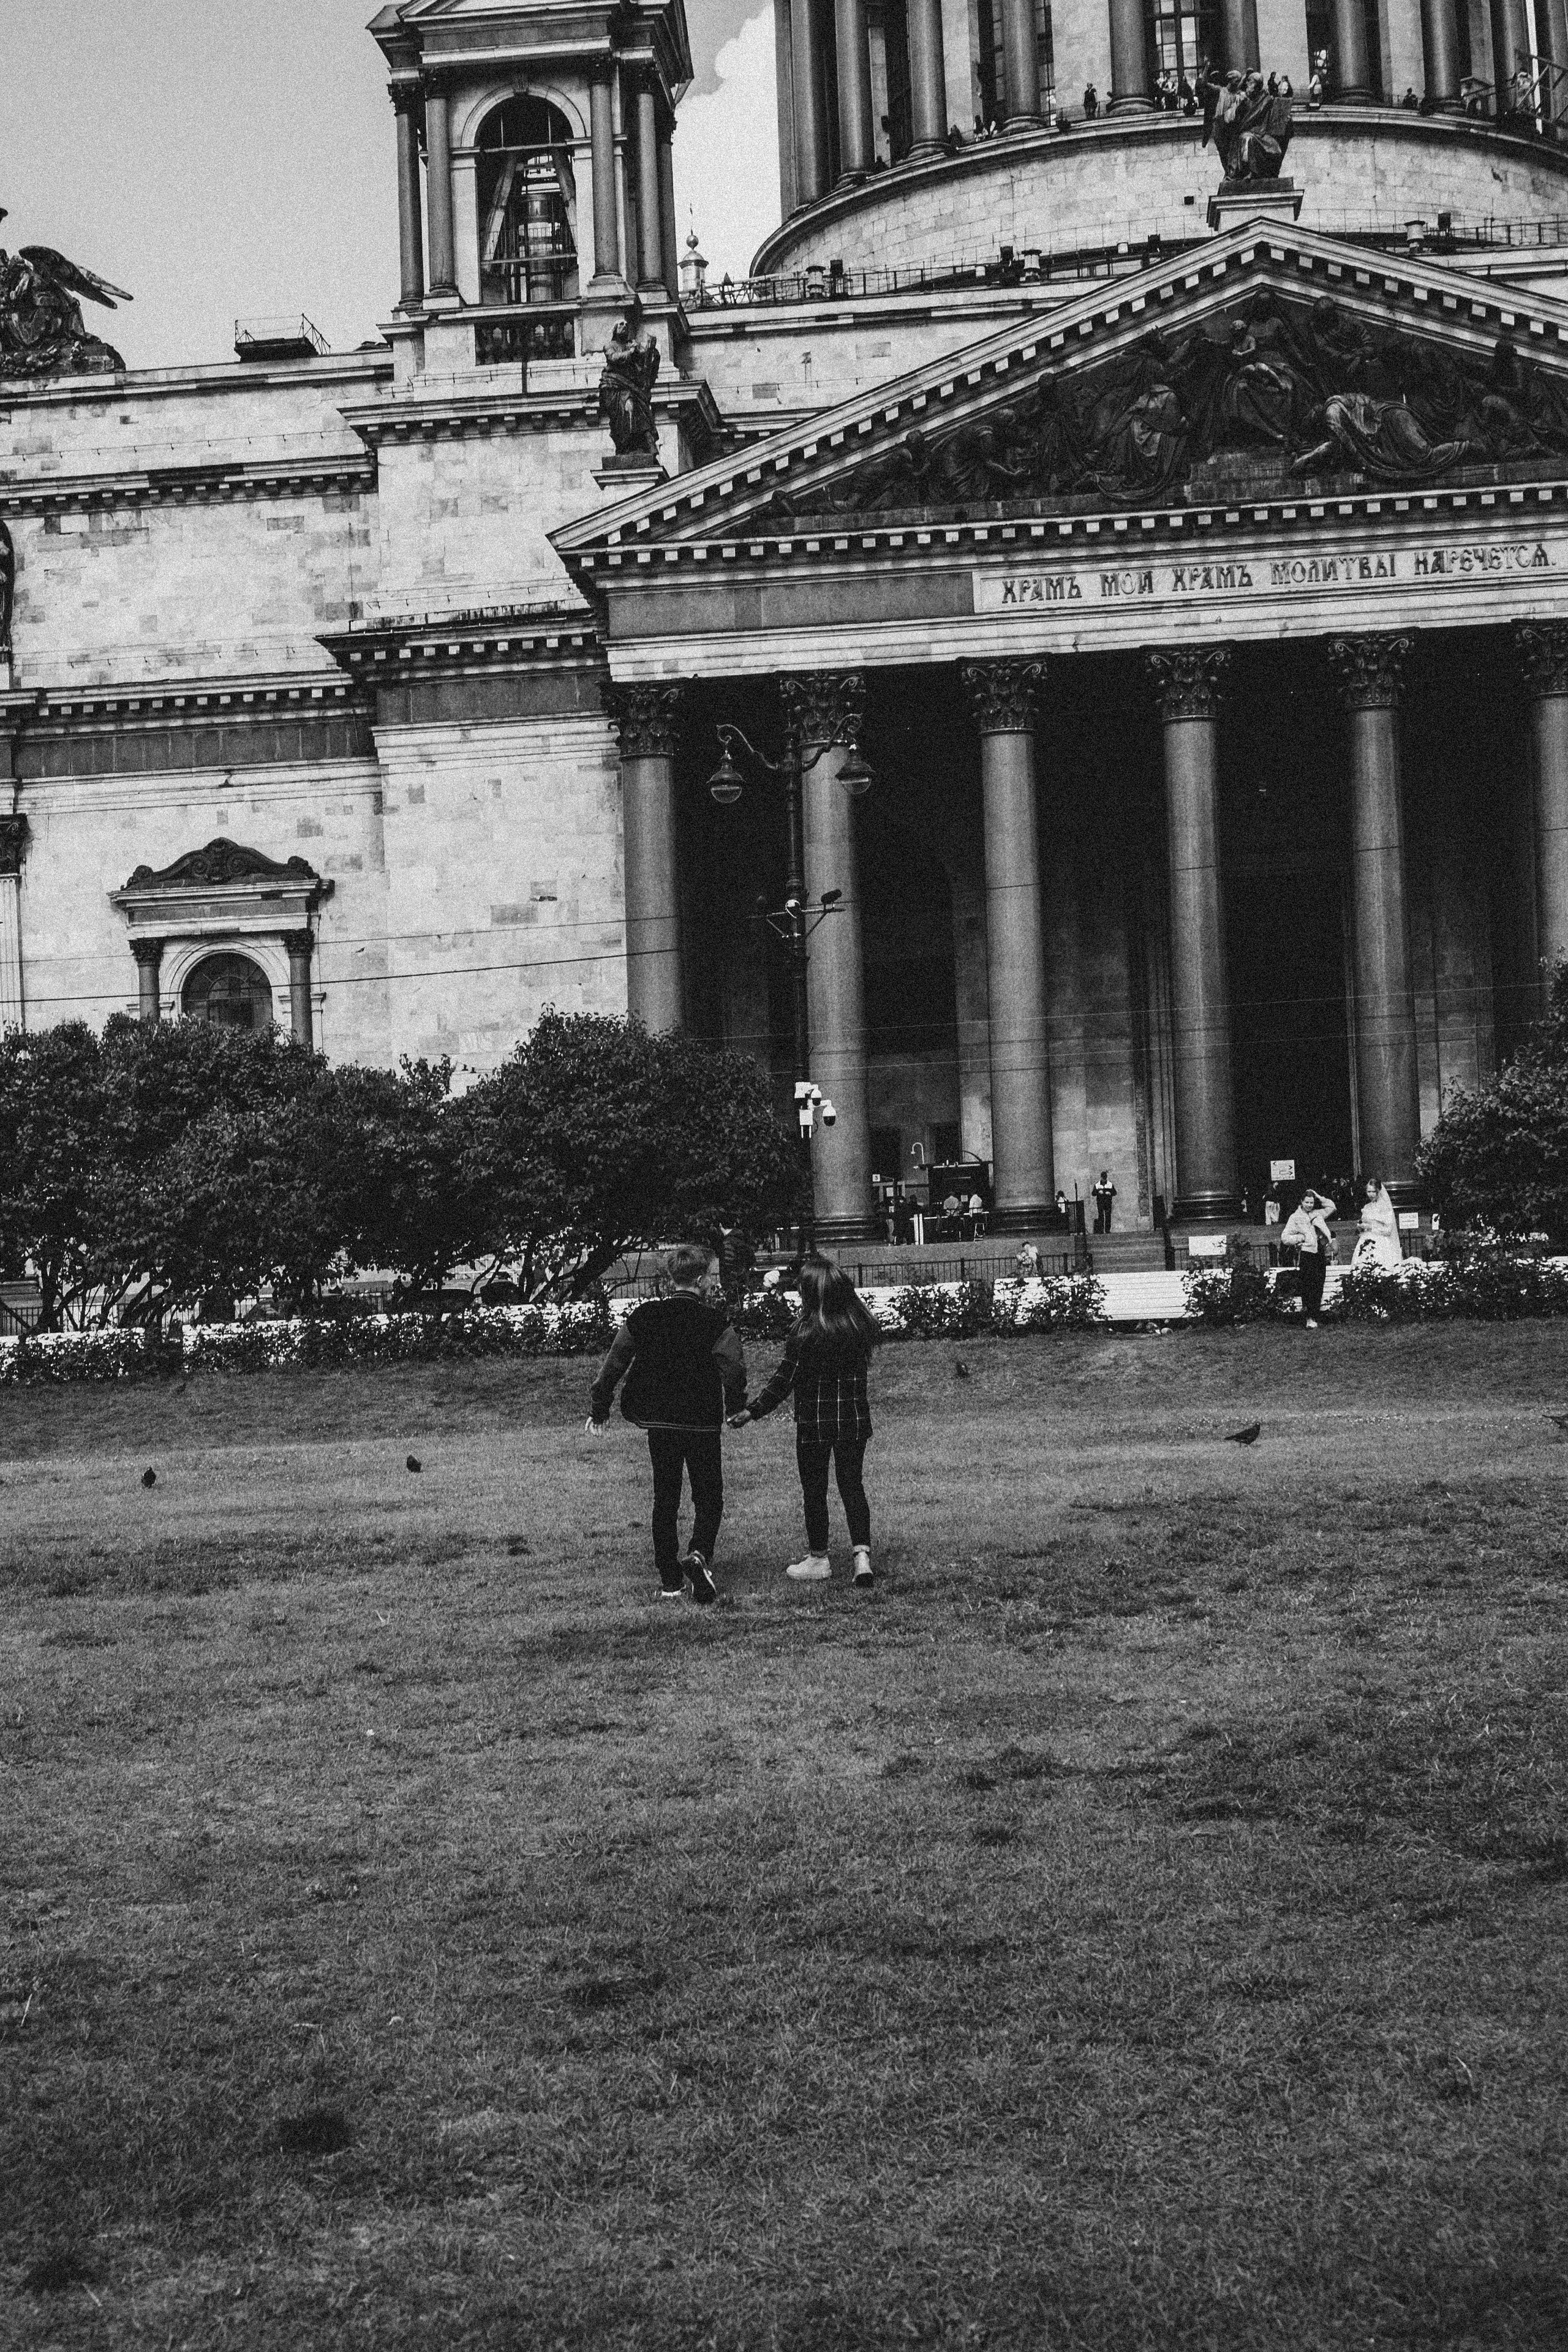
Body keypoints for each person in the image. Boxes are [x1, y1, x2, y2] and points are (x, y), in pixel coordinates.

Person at [587, 1242, 746, 1604]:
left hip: (659, 1420)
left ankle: (670, 1580)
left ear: (671, 1277)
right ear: (701, 1280)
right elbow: (734, 1367)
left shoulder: (644, 1316)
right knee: (709, 1495)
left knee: (666, 1498)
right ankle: (699, 1554)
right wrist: (735, 1405)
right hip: (702, 1421)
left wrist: (600, 1407)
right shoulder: (715, 1322)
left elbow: (614, 1364)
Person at [729, 1259, 881, 1589]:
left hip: (814, 1424)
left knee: (815, 1490)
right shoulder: (859, 1327)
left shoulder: (804, 1333)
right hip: (854, 1421)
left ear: (811, 1293)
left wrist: (752, 1411)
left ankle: (819, 1559)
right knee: (852, 1486)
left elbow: (784, 1380)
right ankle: (862, 1558)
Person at [1281, 1188, 1337, 1327]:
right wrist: (1301, 1238)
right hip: (1307, 1254)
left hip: (1319, 1253)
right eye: (1307, 1202)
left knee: (1319, 1284)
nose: (1309, 1205)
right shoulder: (1295, 1217)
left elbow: (1332, 1207)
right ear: (1302, 1202)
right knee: (1308, 1286)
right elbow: (1285, 1237)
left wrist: (1318, 1196)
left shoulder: (1317, 1214)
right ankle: (1309, 1317)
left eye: (1312, 1203)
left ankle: (1315, 1315)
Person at [1352, 1177, 1403, 1272]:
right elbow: (1363, 1227)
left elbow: (1388, 1231)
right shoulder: (1367, 1207)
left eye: (1374, 1192)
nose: (1371, 1195)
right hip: (1366, 1241)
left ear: (1379, 1191)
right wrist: (1361, 1228)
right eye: (1369, 1192)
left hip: (1381, 1243)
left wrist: (1370, 1227)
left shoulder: (1385, 1207)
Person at [1092, 1169, 1117, 1234]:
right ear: (1101, 1178)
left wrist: (1110, 1193)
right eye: (1103, 1178)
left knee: (1108, 1216)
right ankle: (1101, 1230)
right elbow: (1093, 1193)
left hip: (1108, 1202)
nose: (1104, 1180)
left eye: (1105, 1178)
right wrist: (1098, 1192)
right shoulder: (1097, 1185)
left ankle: (1107, 1230)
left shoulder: (1110, 1184)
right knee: (1101, 1216)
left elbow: (1115, 1193)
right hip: (1100, 1202)